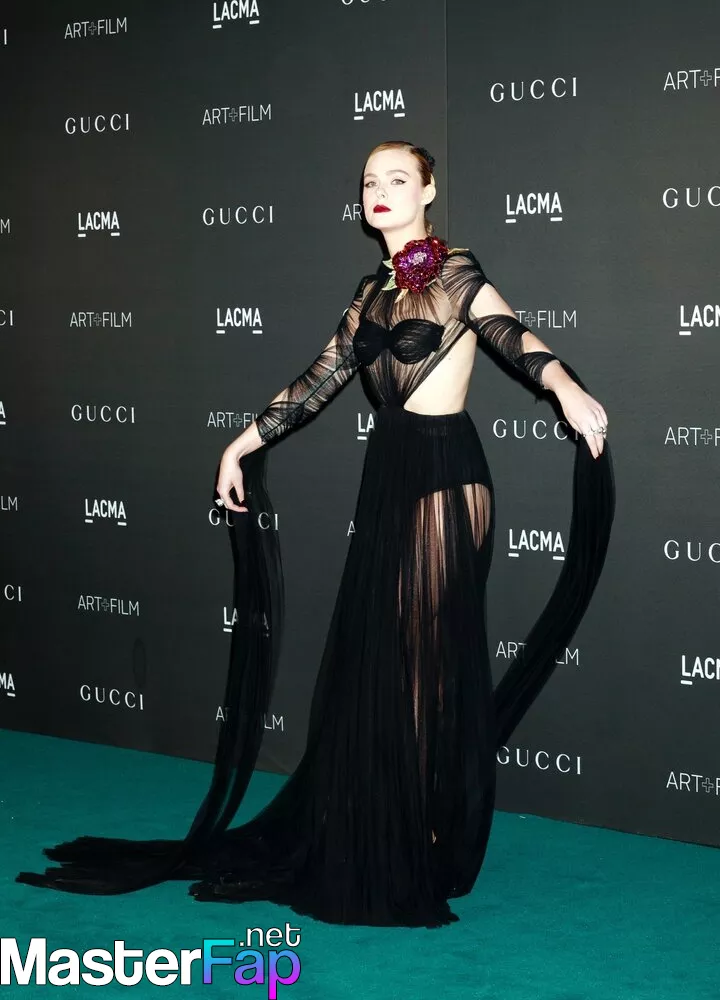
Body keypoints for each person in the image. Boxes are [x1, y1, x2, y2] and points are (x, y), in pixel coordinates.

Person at [16, 141, 615, 928]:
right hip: (389, 479)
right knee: (386, 656)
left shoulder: (456, 274)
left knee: (427, 658)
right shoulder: (370, 294)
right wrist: (240, 445)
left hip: (446, 478)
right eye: (370, 181)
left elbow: (513, 336)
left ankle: (425, 832)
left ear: (428, 191)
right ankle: (398, 819)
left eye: (397, 179)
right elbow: (317, 382)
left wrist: (565, 387)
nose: (380, 191)